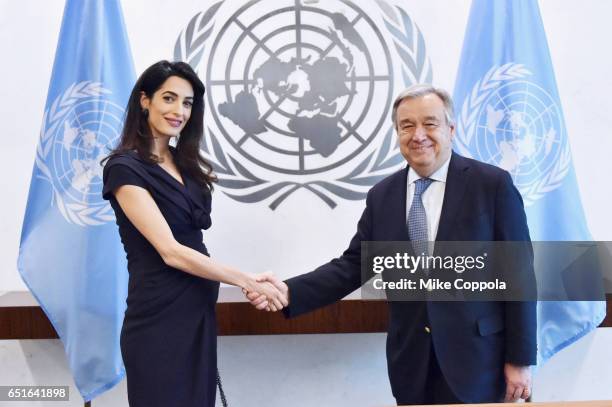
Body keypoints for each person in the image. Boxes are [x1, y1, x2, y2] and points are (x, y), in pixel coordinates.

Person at [247, 85, 537, 405]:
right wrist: (288, 292)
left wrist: (519, 360)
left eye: (430, 123)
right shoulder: (382, 196)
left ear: (451, 129)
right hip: (412, 365)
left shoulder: (491, 185)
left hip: (479, 362)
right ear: (397, 133)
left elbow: (519, 276)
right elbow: (352, 266)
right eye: (407, 125)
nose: (418, 134)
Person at [101, 60, 287, 407]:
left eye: (187, 103)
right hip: (157, 321)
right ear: (145, 100)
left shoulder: (184, 163)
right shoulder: (123, 168)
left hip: (197, 315)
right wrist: (246, 279)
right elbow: (170, 251)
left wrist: (243, 281)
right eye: (169, 98)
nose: (179, 111)